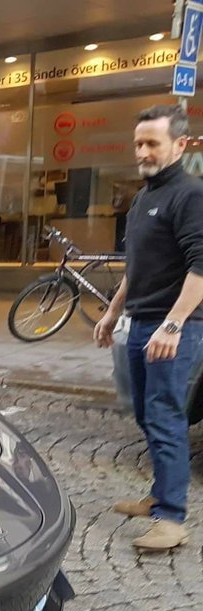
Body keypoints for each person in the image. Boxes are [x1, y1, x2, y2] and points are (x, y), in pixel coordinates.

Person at [94, 104, 203, 552]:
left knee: (165, 416)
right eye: (138, 143)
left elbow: (201, 265)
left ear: (180, 145)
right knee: (146, 413)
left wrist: (174, 325)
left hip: (173, 328)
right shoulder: (144, 198)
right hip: (140, 323)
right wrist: (111, 311)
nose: (142, 151)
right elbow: (136, 267)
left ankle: (172, 519)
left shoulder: (189, 195)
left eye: (152, 143)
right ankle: (160, 496)